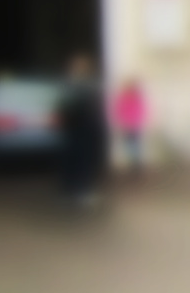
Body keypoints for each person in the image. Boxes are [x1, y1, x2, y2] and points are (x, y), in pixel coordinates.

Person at [56, 54, 107, 206]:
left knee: (79, 161)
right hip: (77, 130)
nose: (81, 69)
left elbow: (95, 107)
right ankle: (79, 191)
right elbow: (68, 108)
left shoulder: (76, 84)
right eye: (79, 66)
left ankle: (76, 190)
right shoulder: (77, 85)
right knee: (78, 161)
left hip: (81, 130)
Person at [111, 77, 149, 173]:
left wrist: (138, 122)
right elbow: (119, 110)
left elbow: (141, 110)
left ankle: (136, 167)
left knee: (135, 147)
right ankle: (134, 167)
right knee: (130, 147)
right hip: (127, 126)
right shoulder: (124, 97)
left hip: (134, 126)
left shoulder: (137, 97)